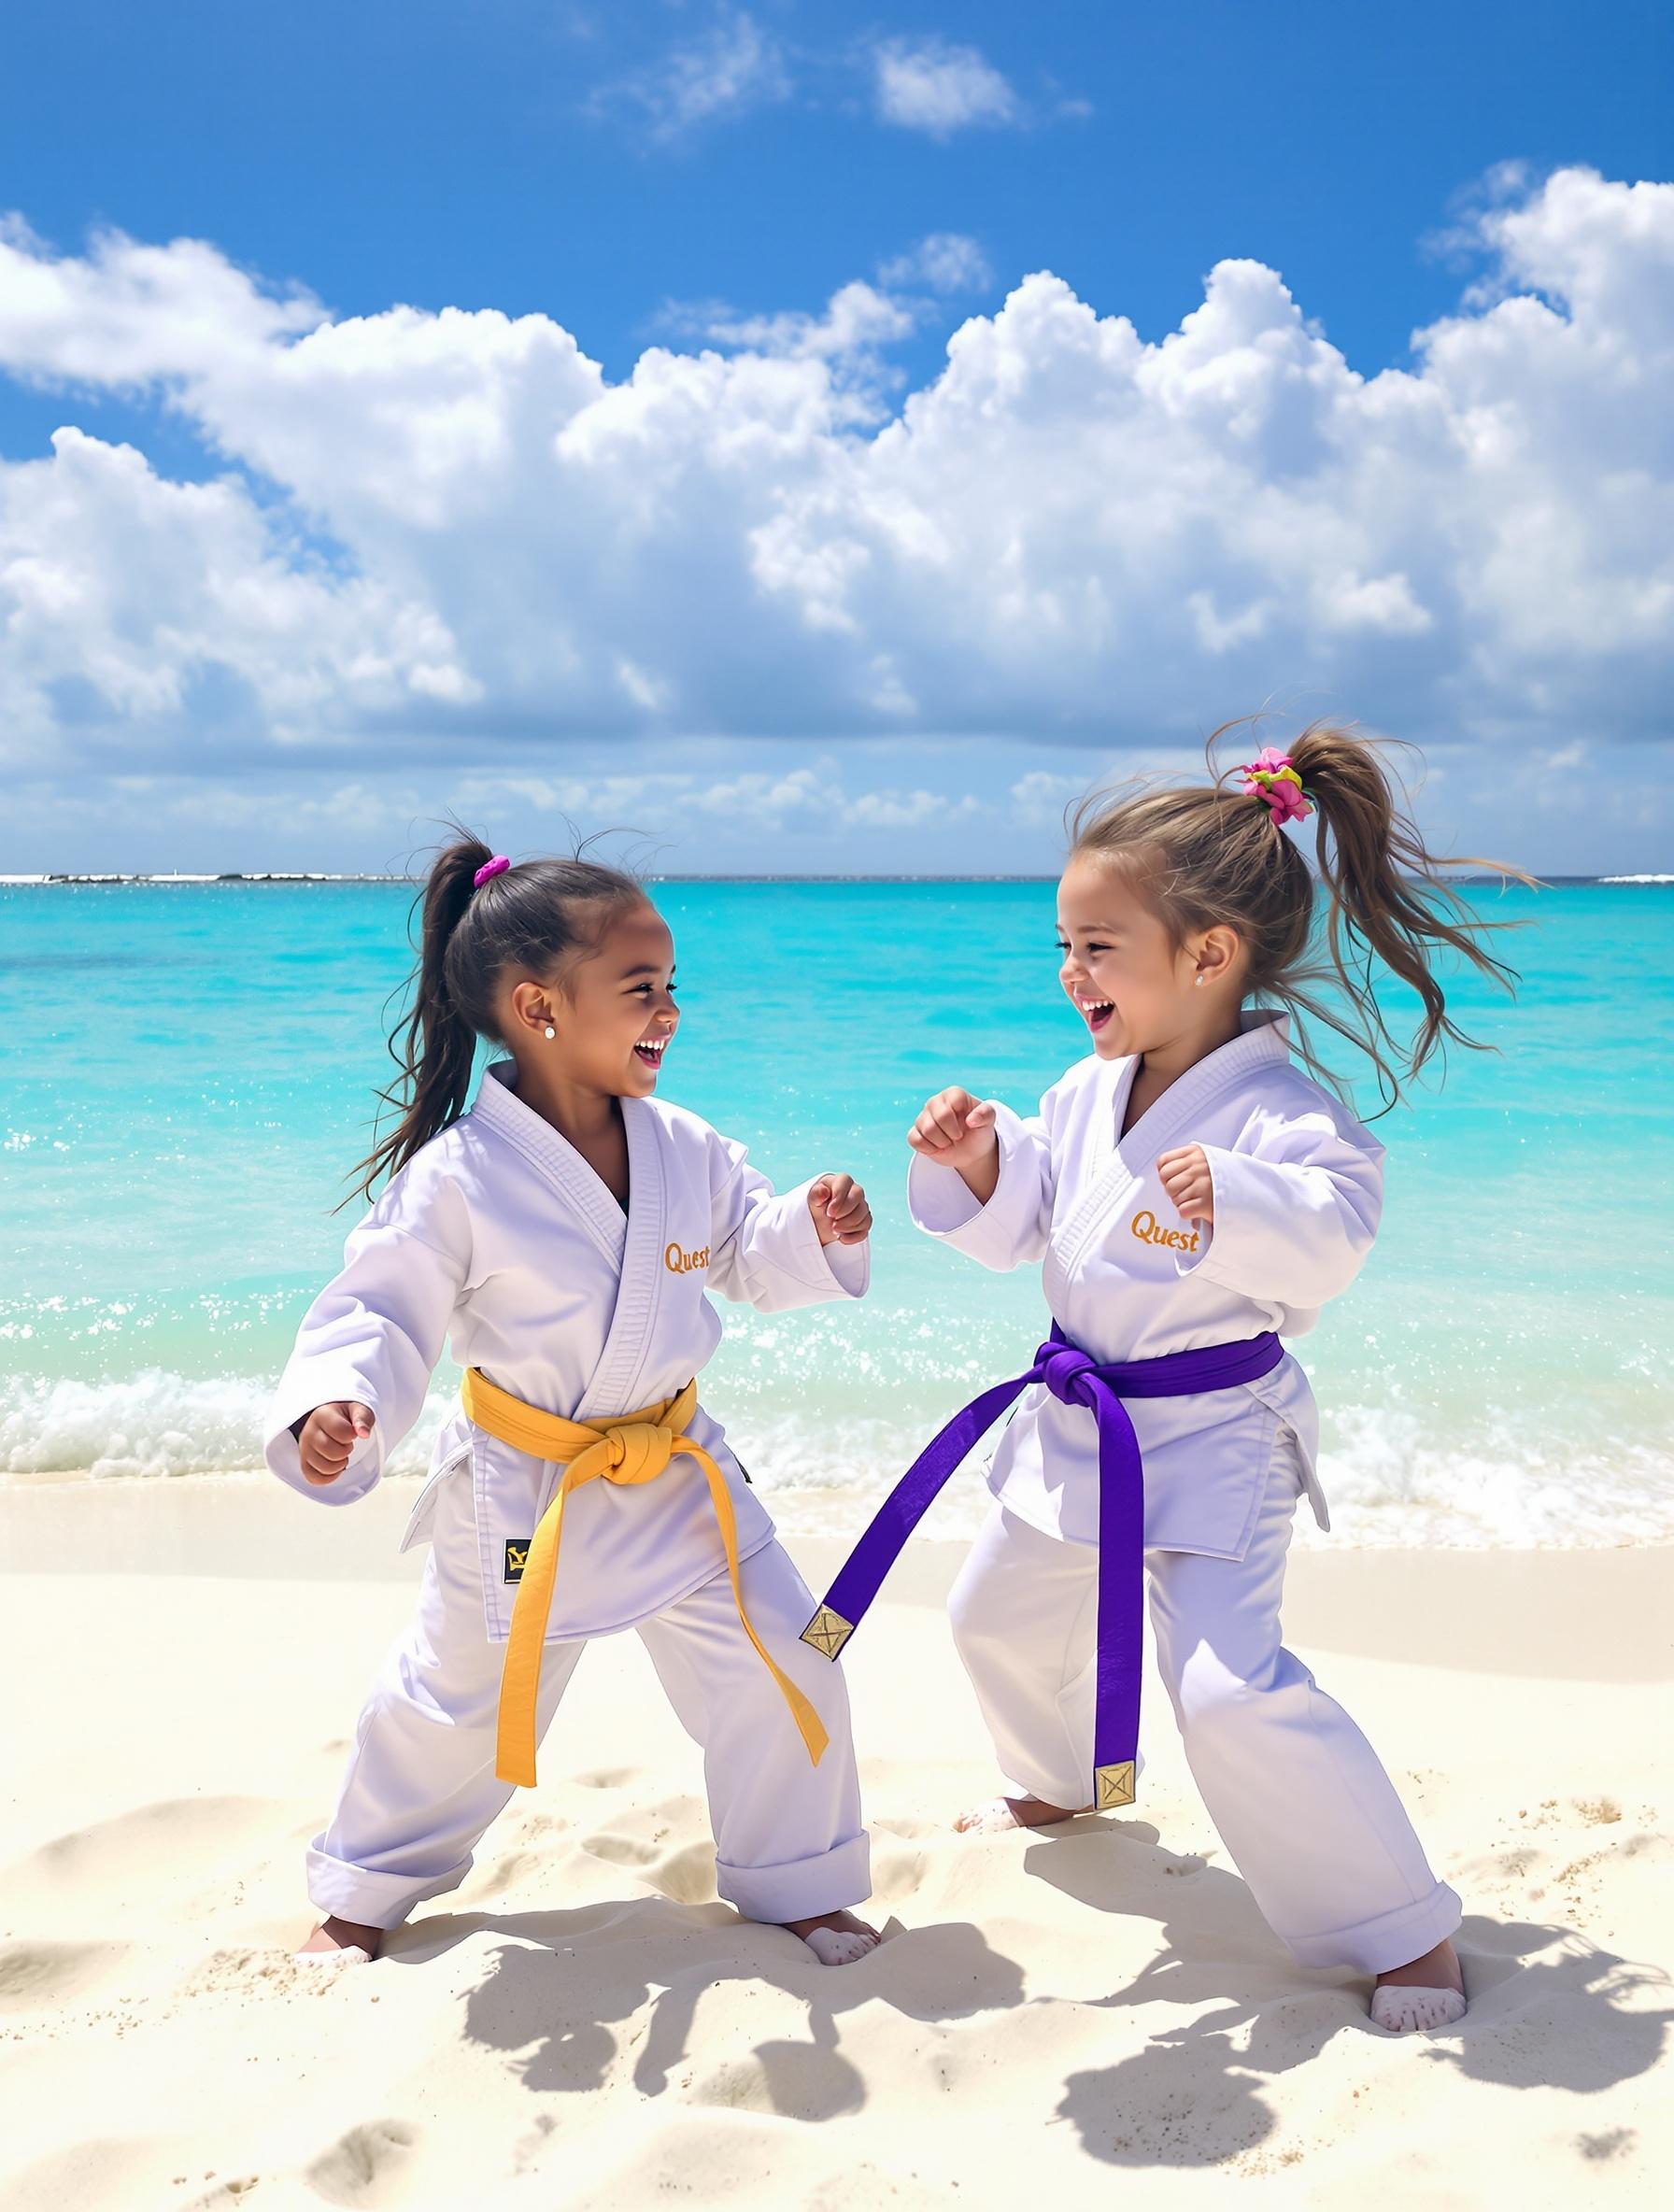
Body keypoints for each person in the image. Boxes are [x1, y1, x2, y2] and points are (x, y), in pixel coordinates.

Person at [807, 722, 1528, 2030]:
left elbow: (1336, 1231)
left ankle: (1402, 1929)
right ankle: (1058, 1783)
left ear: (1209, 954)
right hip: (1080, 1424)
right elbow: (1027, 1217)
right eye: (1066, 947)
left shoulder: (1282, 1116)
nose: (1073, 972)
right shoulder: (1085, 1095)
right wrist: (974, 1162)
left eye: (1099, 947)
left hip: (1215, 1437)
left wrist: (1236, 1195)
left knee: (1225, 1692)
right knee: (995, 1618)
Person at [264, 839, 878, 1968]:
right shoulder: (457, 1178)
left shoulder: (685, 1145)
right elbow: (381, 1309)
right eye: (642, 988)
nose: (670, 1012)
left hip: (679, 1472)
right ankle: (365, 1888)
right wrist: (337, 1403)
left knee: (793, 1657)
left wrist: (813, 1228)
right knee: (454, 1702)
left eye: (673, 986)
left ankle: (797, 1878)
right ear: (540, 1006)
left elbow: (745, 1247)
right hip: (529, 1490)